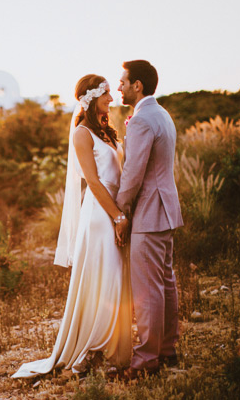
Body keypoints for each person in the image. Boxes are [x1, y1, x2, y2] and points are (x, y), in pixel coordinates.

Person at [11, 74, 132, 379]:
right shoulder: (82, 134)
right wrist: (117, 216)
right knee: (106, 275)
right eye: (106, 92)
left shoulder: (106, 130)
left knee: (116, 277)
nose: (112, 97)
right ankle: (93, 345)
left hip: (115, 207)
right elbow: (92, 180)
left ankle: (114, 347)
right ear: (91, 97)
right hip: (100, 214)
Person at [115, 60, 184, 380]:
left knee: (148, 290)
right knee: (165, 283)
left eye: (123, 82)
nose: (119, 88)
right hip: (167, 209)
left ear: (137, 85)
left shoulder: (142, 119)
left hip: (149, 212)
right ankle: (167, 350)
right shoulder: (162, 114)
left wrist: (120, 210)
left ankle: (146, 361)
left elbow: (133, 173)